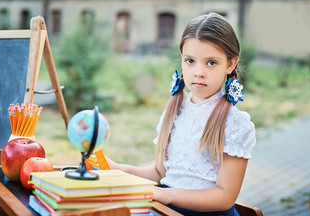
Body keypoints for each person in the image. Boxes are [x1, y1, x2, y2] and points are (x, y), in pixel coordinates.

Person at [106, 12, 256, 216]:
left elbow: (224, 196)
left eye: (211, 62)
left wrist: (166, 195)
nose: (199, 72)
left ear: (230, 64)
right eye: (190, 61)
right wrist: (118, 169)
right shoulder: (175, 110)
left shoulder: (236, 123)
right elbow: (160, 173)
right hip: (164, 208)